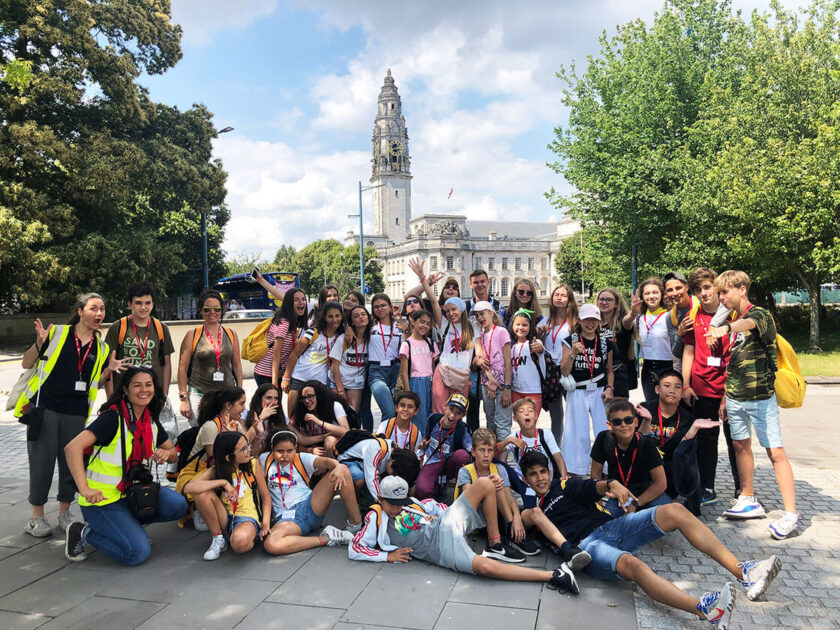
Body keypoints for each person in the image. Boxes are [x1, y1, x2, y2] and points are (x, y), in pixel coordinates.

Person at [520, 450, 783, 625]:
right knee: (634, 566)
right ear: (525, 479)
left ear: (550, 472)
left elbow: (591, 486)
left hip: (614, 526)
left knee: (676, 511)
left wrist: (611, 484)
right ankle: (707, 610)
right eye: (533, 474)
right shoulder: (531, 513)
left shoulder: (562, 485)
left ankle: (744, 571)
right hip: (589, 547)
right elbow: (516, 524)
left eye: (543, 471)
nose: (540, 477)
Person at [349, 475, 582, 593]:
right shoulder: (375, 516)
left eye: (400, 502)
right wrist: (386, 557)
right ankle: (554, 575)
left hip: (444, 523)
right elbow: (356, 547)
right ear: (380, 499)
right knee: (483, 569)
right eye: (392, 504)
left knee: (485, 483)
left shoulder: (405, 504)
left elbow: (429, 504)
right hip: (440, 550)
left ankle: (495, 544)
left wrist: (432, 514)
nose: (397, 508)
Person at [16, 293, 127, 537]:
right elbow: (26, 363)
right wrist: (39, 343)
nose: (99, 314)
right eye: (93, 308)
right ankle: (37, 518)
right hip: (45, 408)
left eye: (102, 309)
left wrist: (108, 371)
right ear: (80, 311)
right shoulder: (57, 333)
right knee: (41, 462)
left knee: (70, 464)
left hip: (76, 413)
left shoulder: (102, 347)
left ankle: (65, 513)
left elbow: (93, 383)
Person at [706, 271, 799, 539]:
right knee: (740, 446)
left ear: (742, 289)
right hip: (735, 397)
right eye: (719, 293)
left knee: (775, 452)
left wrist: (724, 328)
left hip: (761, 396)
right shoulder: (733, 318)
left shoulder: (760, 315)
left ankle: (791, 513)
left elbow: (749, 324)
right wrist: (725, 397)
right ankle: (747, 497)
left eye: (725, 292)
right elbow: (732, 363)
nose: (721, 298)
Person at [63, 366, 186, 564]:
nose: (143, 390)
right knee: (137, 553)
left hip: (132, 493)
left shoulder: (150, 421)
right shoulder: (112, 418)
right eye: (137, 385)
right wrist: (84, 488)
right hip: (102, 499)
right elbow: (72, 448)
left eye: (148, 385)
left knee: (178, 505)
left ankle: (127, 527)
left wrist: (167, 453)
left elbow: (173, 452)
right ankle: (83, 532)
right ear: (126, 390)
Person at [681, 268, 741, 507]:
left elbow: (737, 357)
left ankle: (742, 490)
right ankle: (707, 488)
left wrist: (728, 394)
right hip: (701, 389)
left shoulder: (733, 316)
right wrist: (685, 384)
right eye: (698, 290)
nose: (703, 293)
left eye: (707, 288)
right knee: (706, 441)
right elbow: (689, 351)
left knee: (736, 440)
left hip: (731, 389)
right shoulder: (693, 316)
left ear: (716, 288)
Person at [261, 430, 362, 555]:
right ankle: (327, 538)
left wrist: (337, 465)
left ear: (295, 448)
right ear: (272, 449)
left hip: (310, 505)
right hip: (287, 519)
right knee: (271, 544)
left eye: (289, 451)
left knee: (343, 470)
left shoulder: (301, 458)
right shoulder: (264, 460)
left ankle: (356, 525)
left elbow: (326, 462)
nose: (285, 456)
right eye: (280, 451)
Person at [636, 372, 722, 515]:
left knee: (689, 459)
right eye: (667, 386)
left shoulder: (687, 418)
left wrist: (694, 428)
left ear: (682, 393)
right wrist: (646, 421)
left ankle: (691, 505)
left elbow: (683, 453)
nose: (671, 390)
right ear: (657, 389)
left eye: (677, 387)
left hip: (670, 469)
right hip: (644, 467)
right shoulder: (645, 409)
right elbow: (634, 443)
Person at [184, 431, 272, 561]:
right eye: (243, 449)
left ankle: (245, 537)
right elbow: (188, 488)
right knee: (201, 494)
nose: (249, 450)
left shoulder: (252, 464)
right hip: (225, 516)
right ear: (228, 457)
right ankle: (218, 538)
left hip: (247, 518)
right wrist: (223, 482)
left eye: (247, 445)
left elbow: (266, 497)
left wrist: (265, 524)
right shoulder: (217, 471)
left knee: (239, 543)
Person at [456, 428, 538, 558]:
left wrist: (517, 517)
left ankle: (511, 530)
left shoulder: (499, 468)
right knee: (494, 484)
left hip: (499, 517)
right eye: (482, 450)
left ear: (494, 452)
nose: (486, 455)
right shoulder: (465, 471)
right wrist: (487, 486)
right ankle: (501, 540)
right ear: (473, 452)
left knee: (499, 483)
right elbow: (469, 500)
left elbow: (509, 498)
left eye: (490, 450)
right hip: (476, 520)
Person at [590, 401, 671, 517]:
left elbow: (661, 484)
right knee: (606, 521)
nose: (623, 425)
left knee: (667, 516)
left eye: (628, 420)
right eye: (617, 422)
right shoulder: (603, 438)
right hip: (618, 493)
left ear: (636, 422)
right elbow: (595, 475)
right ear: (609, 425)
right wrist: (599, 506)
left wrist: (634, 505)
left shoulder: (646, 444)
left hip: (645, 492)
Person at [560, 303, 614, 476]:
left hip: (599, 390)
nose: (590, 324)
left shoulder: (605, 342)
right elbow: (564, 370)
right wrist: (573, 354)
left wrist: (610, 388)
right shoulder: (571, 341)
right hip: (577, 390)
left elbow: (609, 369)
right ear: (579, 321)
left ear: (599, 321)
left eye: (594, 320)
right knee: (576, 430)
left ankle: (606, 468)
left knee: (603, 429)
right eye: (586, 320)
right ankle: (575, 469)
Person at [177, 290, 243, 425]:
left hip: (227, 396)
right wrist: (183, 398)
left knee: (226, 436)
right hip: (200, 395)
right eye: (207, 309)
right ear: (201, 311)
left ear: (222, 311)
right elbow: (182, 368)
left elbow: (237, 365)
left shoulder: (231, 334)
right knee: (200, 435)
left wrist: (240, 395)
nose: (212, 312)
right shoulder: (192, 335)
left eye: (217, 309)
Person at [103, 282, 174, 399]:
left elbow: (166, 364)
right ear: (130, 304)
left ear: (152, 304)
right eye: (138, 303)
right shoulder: (118, 327)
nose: (143, 307)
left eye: (147, 303)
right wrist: (111, 399)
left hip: (151, 394)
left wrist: (164, 395)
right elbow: (108, 366)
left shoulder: (161, 329)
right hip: (123, 394)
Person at [283, 300, 343, 415]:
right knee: (293, 416)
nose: (334, 320)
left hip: (320, 383)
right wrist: (286, 378)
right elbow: (294, 354)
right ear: (324, 317)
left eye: (337, 316)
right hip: (300, 377)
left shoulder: (341, 335)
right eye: (330, 316)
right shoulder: (313, 332)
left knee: (316, 418)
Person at [497, 398, 567, 491]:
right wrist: (508, 440)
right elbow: (494, 453)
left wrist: (564, 477)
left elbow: (558, 457)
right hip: (523, 482)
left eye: (530, 411)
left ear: (536, 416)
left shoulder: (545, 434)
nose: (526, 413)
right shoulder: (514, 436)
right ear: (515, 418)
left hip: (546, 479)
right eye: (521, 411)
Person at [539, 284, 579, 446]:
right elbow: (539, 348)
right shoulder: (545, 322)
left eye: (563, 295)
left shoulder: (575, 323)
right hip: (551, 372)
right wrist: (540, 335)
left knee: (574, 413)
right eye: (556, 294)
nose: (559, 298)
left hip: (570, 369)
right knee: (557, 415)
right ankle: (556, 450)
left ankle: (573, 448)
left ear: (569, 299)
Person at [465, 270, 504, 431]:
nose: (480, 285)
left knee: (492, 411)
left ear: (488, 282)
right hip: (473, 361)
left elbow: (501, 331)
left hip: (493, 363)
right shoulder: (466, 306)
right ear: (471, 285)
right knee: (472, 407)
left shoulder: (497, 305)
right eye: (476, 282)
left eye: (482, 281)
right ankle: (474, 445)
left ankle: (491, 444)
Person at [415, 393, 473, 500]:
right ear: (444, 406)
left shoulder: (462, 429)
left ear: (463, 416)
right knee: (422, 491)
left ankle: (459, 489)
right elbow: (426, 434)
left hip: (449, 462)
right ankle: (438, 486)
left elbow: (472, 450)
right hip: (432, 461)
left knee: (463, 456)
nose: (452, 415)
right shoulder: (433, 419)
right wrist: (423, 442)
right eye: (451, 409)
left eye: (458, 413)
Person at [625, 277, 672, 402]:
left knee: (668, 405)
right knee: (651, 406)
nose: (651, 296)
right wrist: (633, 312)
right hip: (647, 367)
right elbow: (625, 324)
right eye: (647, 293)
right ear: (642, 296)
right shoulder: (640, 317)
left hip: (668, 366)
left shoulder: (670, 314)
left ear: (662, 294)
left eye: (655, 292)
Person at [473, 301, 513, 442]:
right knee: (490, 421)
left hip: (502, 384)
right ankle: (492, 456)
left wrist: (507, 387)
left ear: (491, 313)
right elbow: (481, 360)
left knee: (502, 422)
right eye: (477, 315)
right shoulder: (480, 336)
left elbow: (508, 361)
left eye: (482, 313)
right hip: (487, 384)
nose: (479, 318)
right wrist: (490, 380)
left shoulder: (501, 332)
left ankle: (503, 460)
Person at [337, 434, 420, 502]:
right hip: (350, 461)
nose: (394, 475)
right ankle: (354, 500)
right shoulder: (375, 449)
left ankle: (365, 496)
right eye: (395, 473)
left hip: (367, 468)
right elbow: (371, 478)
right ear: (393, 462)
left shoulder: (397, 454)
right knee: (359, 478)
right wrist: (381, 502)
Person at [432, 296, 475, 413]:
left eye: (453, 309)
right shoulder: (445, 325)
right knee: (439, 410)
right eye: (447, 311)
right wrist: (423, 279)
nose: (450, 313)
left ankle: (455, 432)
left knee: (457, 412)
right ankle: (438, 431)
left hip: (462, 376)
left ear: (461, 309)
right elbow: (433, 301)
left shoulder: (473, 327)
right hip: (443, 371)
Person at [399, 310, 439, 435]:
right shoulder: (407, 344)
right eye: (422, 322)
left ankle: (427, 442)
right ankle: (417, 444)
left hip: (430, 382)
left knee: (430, 413)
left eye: (428, 323)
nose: (425, 326)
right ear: (413, 321)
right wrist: (408, 392)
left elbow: (432, 366)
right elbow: (404, 372)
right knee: (419, 416)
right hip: (415, 382)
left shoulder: (431, 343)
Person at [330, 305, 371, 426]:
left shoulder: (372, 339)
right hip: (337, 381)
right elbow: (334, 366)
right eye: (356, 316)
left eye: (363, 314)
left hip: (356, 384)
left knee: (352, 416)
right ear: (351, 321)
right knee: (336, 416)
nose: (361, 318)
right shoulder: (344, 339)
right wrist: (340, 389)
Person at [367, 293, 404, 421]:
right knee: (389, 411)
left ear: (390, 307)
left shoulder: (399, 325)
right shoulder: (370, 326)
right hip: (376, 370)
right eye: (376, 307)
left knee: (400, 412)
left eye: (383, 305)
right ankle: (384, 441)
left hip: (396, 369)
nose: (380, 309)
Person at [289, 381, 351, 455]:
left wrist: (319, 422)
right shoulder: (302, 412)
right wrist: (310, 450)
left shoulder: (334, 406)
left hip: (338, 445)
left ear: (319, 396)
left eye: (310, 397)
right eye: (304, 398)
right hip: (317, 448)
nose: (306, 401)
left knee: (329, 440)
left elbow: (346, 431)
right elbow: (301, 442)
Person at [597, 288, 636, 399]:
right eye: (602, 299)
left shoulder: (621, 323)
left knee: (619, 412)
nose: (604, 302)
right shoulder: (593, 324)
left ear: (616, 304)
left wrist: (633, 313)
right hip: (598, 373)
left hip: (618, 372)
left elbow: (628, 321)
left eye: (609, 300)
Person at [509, 309, 546, 411]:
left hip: (533, 391)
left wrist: (539, 348)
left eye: (524, 325)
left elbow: (540, 350)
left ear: (530, 327)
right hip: (516, 391)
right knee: (520, 422)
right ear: (512, 326)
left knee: (531, 423)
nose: (520, 328)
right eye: (518, 324)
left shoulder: (534, 343)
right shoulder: (512, 348)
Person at [377, 391, 424, 457]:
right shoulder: (385, 426)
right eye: (402, 405)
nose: (405, 409)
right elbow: (377, 450)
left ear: (416, 411)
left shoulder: (416, 433)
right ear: (396, 408)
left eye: (410, 407)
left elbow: (418, 457)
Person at [245, 384, 286, 454]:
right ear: (259, 399)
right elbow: (244, 442)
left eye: (276, 398)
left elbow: (300, 439)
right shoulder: (245, 415)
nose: (273, 402)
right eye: (269, 398)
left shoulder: (281, 417)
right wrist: (261, 417)